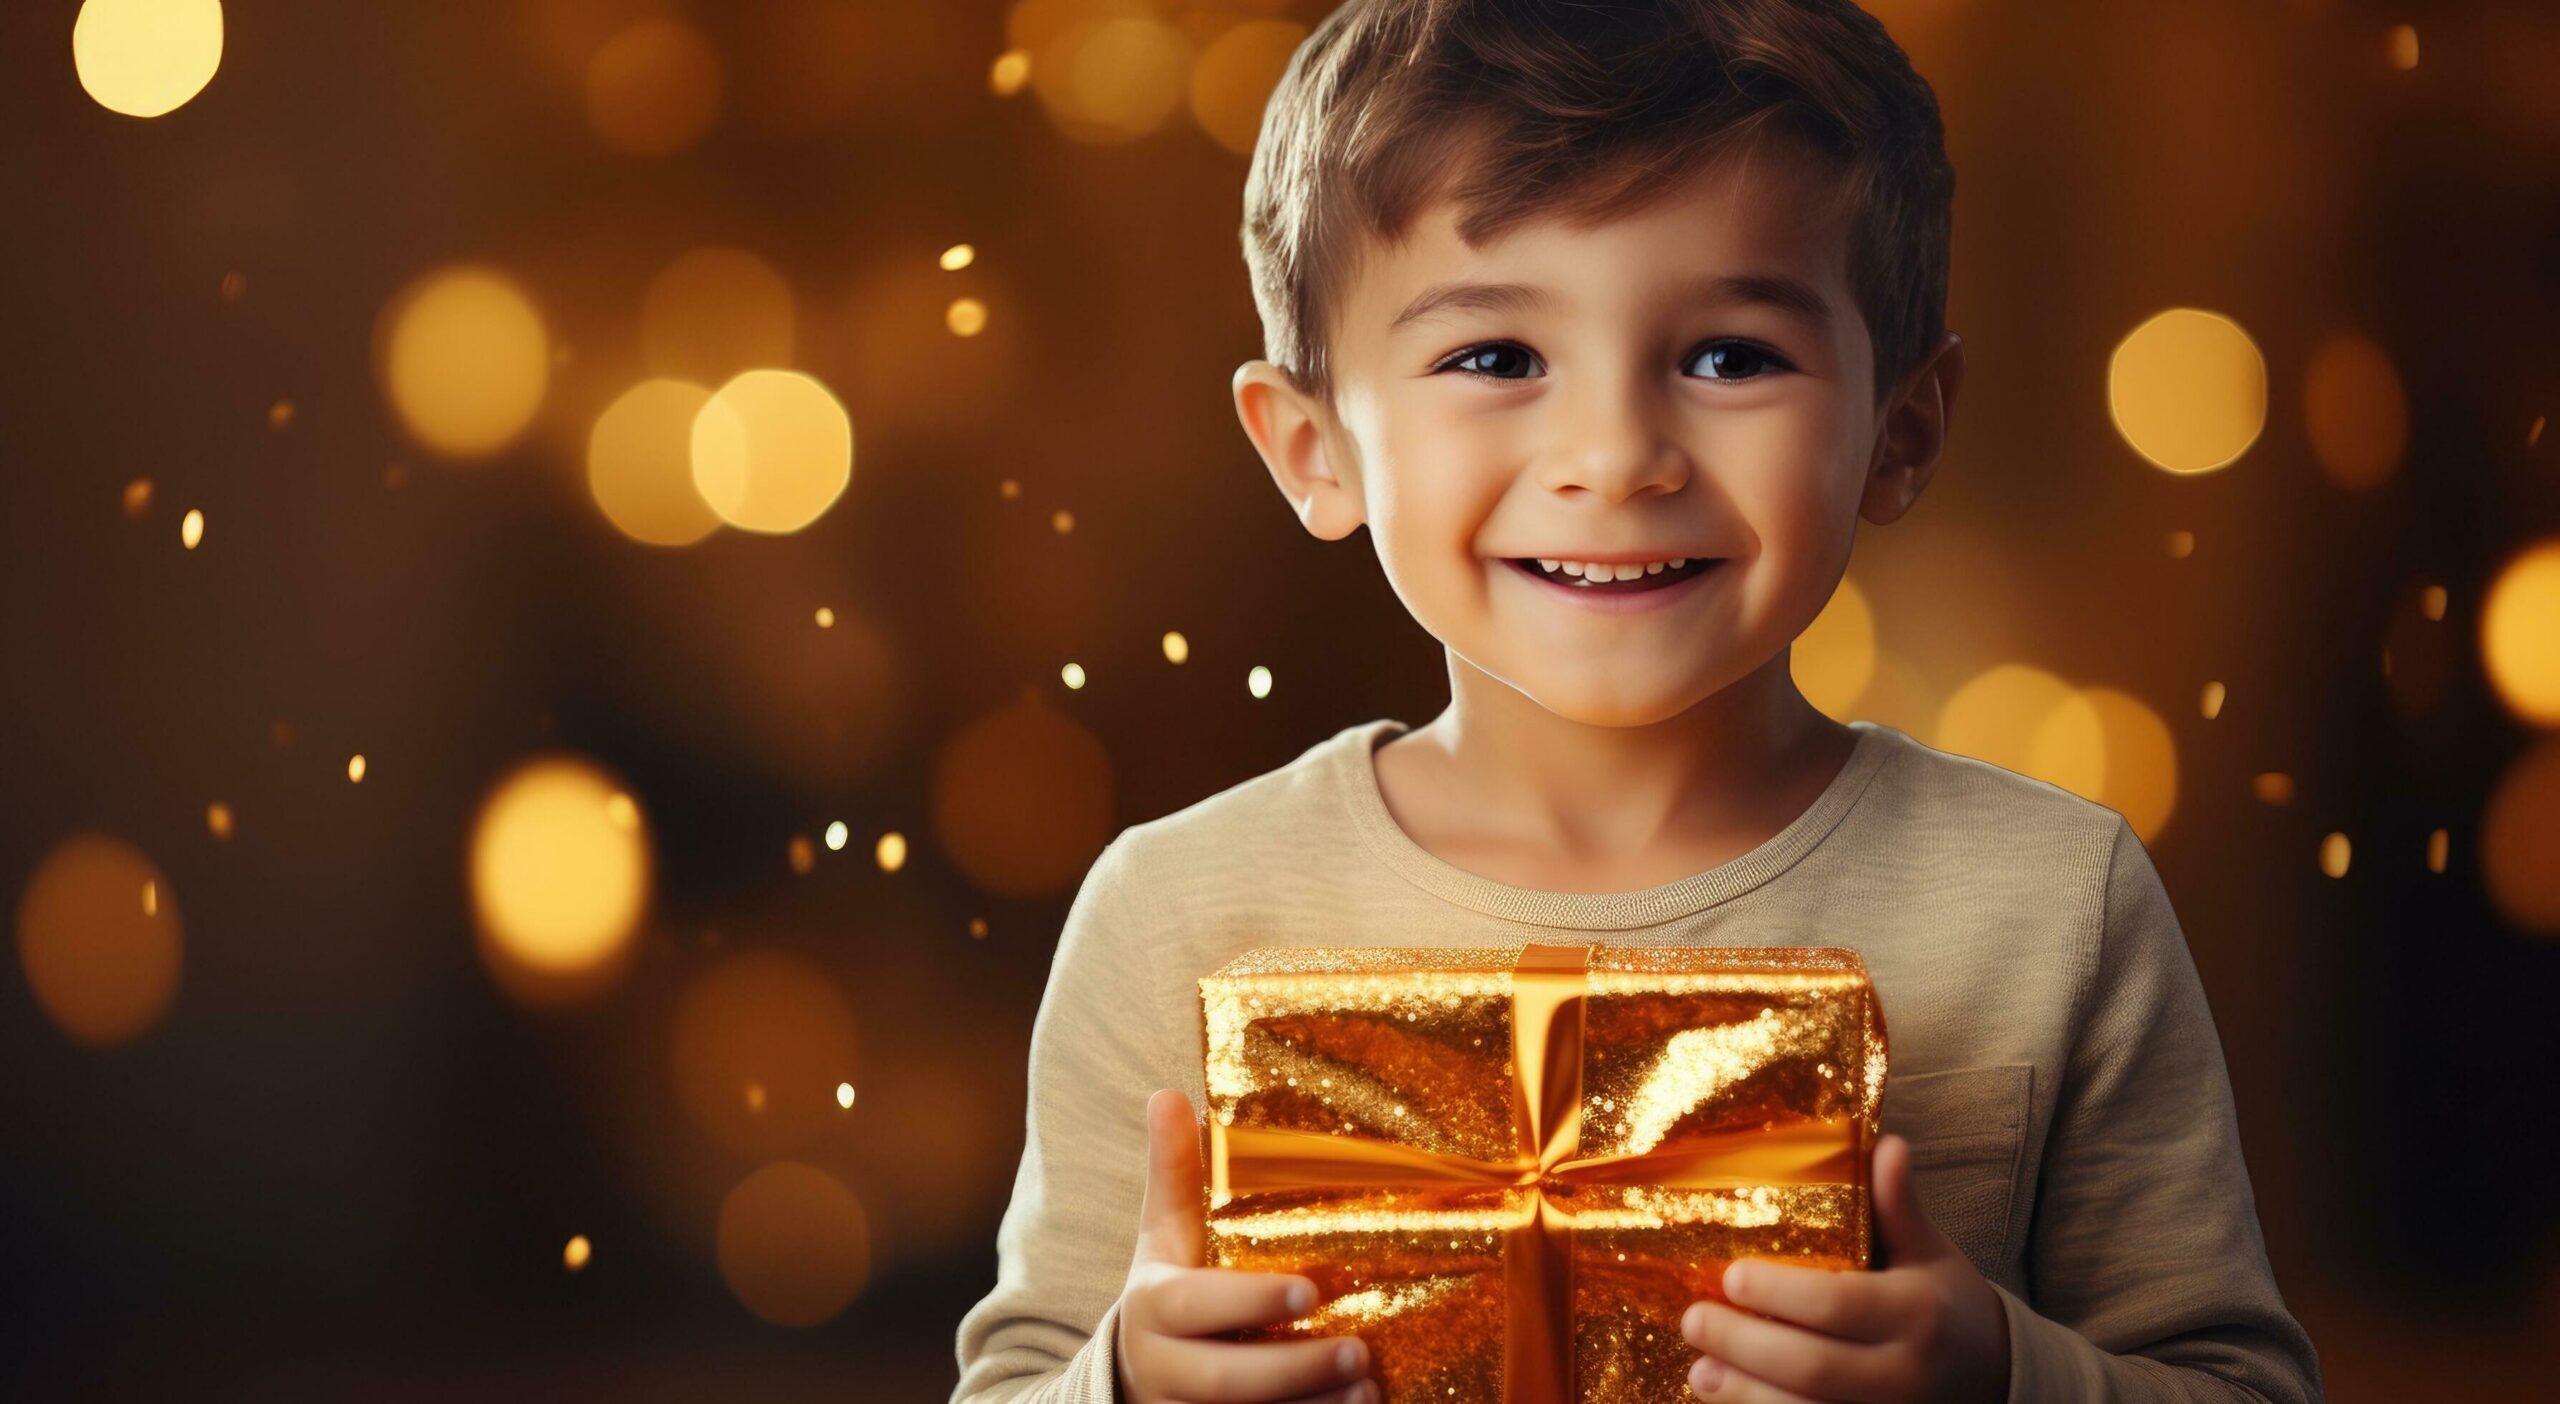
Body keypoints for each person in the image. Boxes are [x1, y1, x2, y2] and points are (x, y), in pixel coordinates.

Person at [953, 1, 2321, 1400]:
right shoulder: (1174, 910)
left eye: (1730, 356)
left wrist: (1996, 1374)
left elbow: (2242, 1384)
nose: (1615, 458)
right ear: (1313, 450)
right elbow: (1016, 1379)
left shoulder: (2055, 903)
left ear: (1901, 433)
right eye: (1495, 358)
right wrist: (1127, 1378)